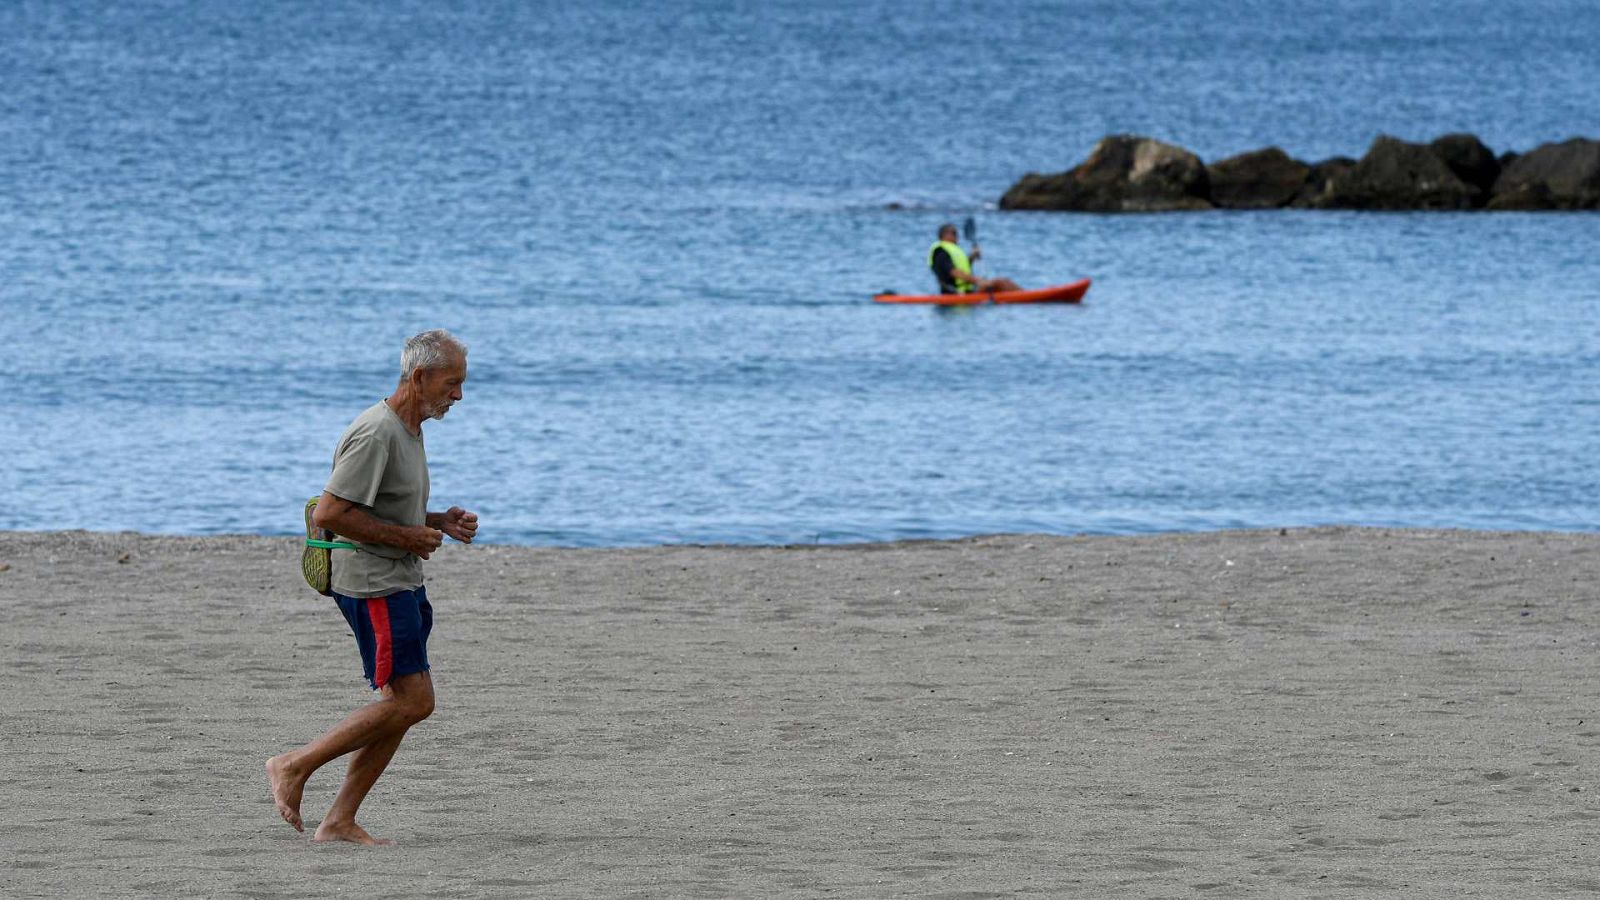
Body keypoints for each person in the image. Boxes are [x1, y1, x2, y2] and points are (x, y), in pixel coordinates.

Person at [267, 329, 479, 845]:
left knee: (399, 706)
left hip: (400, 579)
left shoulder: (410, 427)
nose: (459, 395)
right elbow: (331, 513)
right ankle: (294, 764)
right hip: (374, 585)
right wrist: (406, 535)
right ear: (420, 377)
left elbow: (379, 505)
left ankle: (339, 820)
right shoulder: (376, 432)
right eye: (451, 384)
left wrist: (435, 520)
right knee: (414, 702)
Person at [929, 222, 1021, 294]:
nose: (957, 236)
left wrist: (973, 256)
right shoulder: (941, 252)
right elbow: (954, 272)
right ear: (944, 235)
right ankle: (1026, 296)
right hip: (954, 292)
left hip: (967, 290)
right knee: (1000, 282)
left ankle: (1023, 295)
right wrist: (978, 281)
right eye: (954, 233)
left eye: (956, 233)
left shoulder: (951, 250)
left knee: (1004, 282)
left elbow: (962, 267)